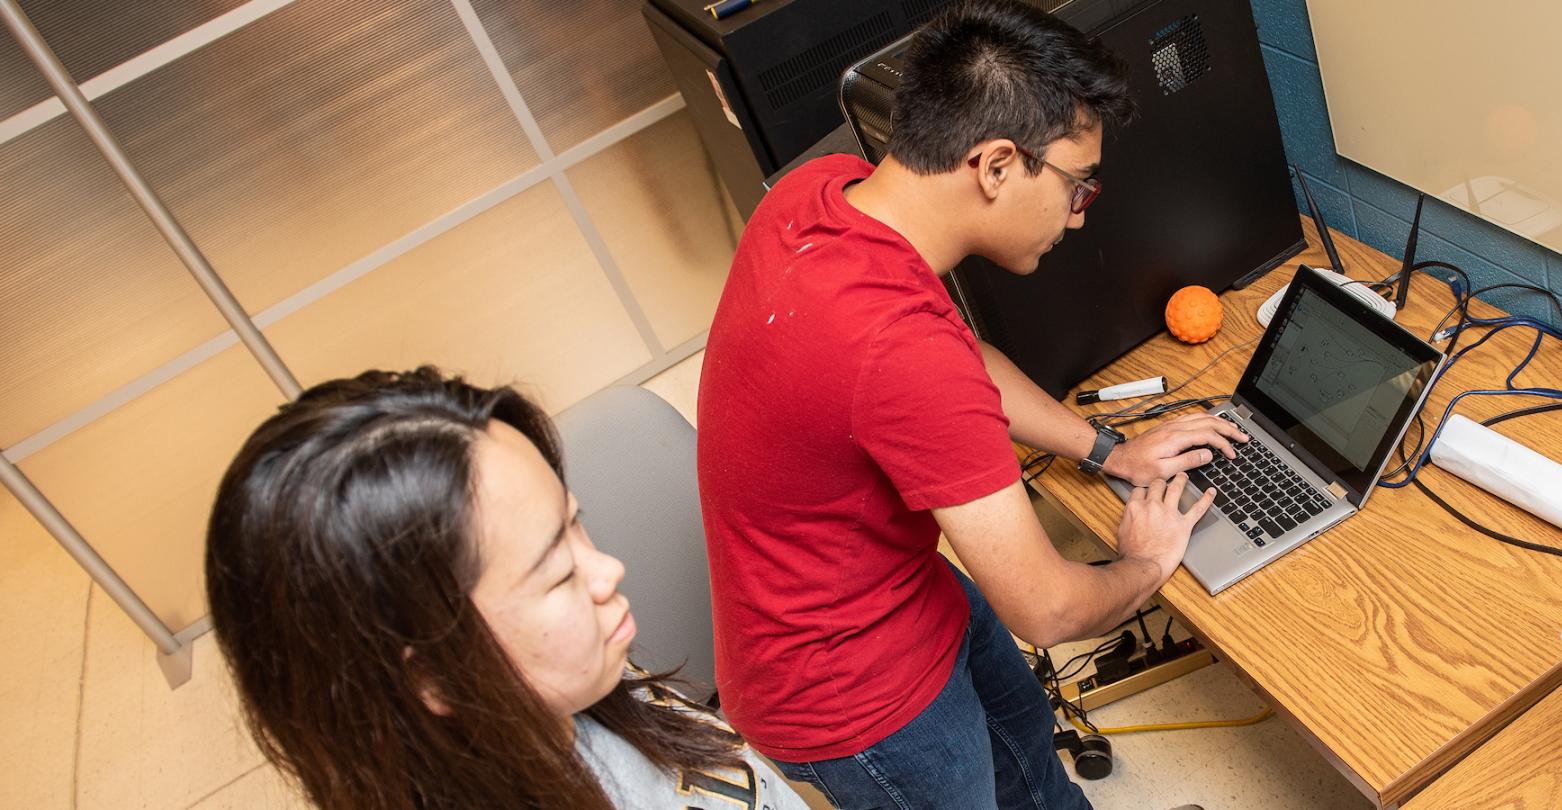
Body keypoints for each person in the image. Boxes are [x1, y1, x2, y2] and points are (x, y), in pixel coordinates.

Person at [697, 0, 1246, 807]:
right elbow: (1049, 608)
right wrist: (1148, 564)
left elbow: (962, 360)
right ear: (994, 165)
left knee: (1033, 765)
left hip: (903, 594)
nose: (1078, 213)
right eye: (1077, 185)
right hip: (849, 699)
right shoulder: (899, 353)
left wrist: (1109, 450)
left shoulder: (819, 195)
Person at [204, 367, 808, 810]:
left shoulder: (575, 681)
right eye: (558, 574)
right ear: (433, 677)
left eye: (576, 523)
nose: (608, 571)